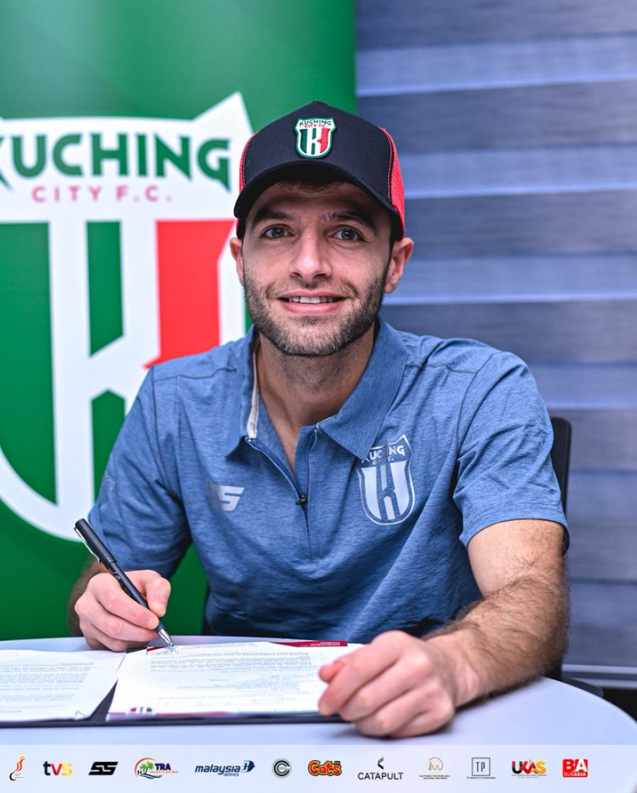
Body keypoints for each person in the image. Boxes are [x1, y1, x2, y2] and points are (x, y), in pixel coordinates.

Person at [68, 101, 569, 738]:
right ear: (239, 259)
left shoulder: (481, 389)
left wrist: (453, 664)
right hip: (233, 737)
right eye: (277, 231)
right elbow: (102, 581)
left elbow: (532, 593)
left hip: (421, 732)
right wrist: (104, 606)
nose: (309, 265)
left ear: (395, 263)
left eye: (347, 233)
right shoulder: (174, 398)